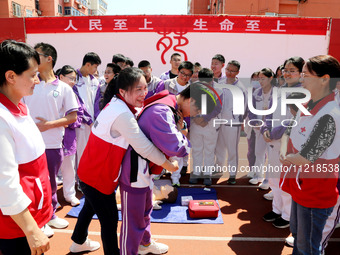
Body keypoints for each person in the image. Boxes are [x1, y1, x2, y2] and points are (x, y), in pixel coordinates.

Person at [69, 67, 179, 255]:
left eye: (145, 88)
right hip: (97, 178)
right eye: (138, 89)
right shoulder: (122, 114)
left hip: (90, 173)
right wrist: (168, 164)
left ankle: (78, 241)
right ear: (122, 91)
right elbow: (143, 146)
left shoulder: (116, 104)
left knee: (90, 206)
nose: (143, 93)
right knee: (110, 221)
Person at [119, 82, 215, 255]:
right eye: (198, 110)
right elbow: (177, 147)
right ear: (191, 100)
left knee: (145, 210)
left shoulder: (169, 105)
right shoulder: (162, 111)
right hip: (136, 168)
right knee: (133, 220)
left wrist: (181, 131)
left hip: (146, 167)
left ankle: (144, 244)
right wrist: (183, 134)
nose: (196, 115)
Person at [280, 55, 340, 255]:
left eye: (306, 74)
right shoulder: (307, 105)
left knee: (309, 247)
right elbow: (290, 130)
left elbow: (307, 157)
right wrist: (285, 151)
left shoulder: (330, 114)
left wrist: (285, 157)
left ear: (325, 79)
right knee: (298, 236)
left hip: (316, 192)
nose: (302, 78)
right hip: (301, 185)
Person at [0, 40, 53, 255]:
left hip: (28, 216)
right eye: (32, 75)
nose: (37, 80)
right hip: (15, 227)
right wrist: (31, 229)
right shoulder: (2, 118)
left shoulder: (20, 104)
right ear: (11, 76)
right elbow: (5, 183)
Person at [23, 42, 78, 231]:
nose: (32, 58)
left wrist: (48, 126)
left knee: (51, 182)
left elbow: (73, 117)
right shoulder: (28, 84)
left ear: (49, 59)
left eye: (36, 55)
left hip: (53, 144)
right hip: (27, 144)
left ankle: (50, 214)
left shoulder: (64, 88)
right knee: (33, 184)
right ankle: (39, 219)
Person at [57, 65, 92, 207]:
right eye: (70, 78)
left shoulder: (74, 94)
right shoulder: (52, 92)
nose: (73, 81)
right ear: (61, 77)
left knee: (69, 166)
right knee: (51, 169)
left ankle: (69, 194)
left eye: (74, 79)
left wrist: (70, 123)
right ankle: (52, 198)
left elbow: (80, 113)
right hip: (51, 135)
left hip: (69, 135)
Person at [155, 61, 194, 185]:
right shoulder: (165, 84)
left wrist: (185, 121)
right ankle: (159, 170)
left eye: (188, 75)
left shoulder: (192, 88)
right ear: (178, 71)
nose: (185, 77)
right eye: (182, 73)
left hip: (183, 123)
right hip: (166, 122)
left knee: (181, 148)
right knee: (162, 148)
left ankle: (177, 175)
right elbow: (158, 99)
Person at [215, 60, 247, 185]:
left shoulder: (240, 88)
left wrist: (238, 122)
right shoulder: (220, 83)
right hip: (219, 122)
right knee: (219, 148)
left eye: (232, 71)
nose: (228, 72)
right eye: (227, 69)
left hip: (233, 124)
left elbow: (243, 109)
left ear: (237, 72)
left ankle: (232, 174)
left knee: (232, 150)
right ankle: (218, 168)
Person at [189, 68, 222, 186]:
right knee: (197, 149)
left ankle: (207, 173)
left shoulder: (218, 89)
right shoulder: (192, 88)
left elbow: (218, 107)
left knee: (209, 149)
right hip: (195, 123)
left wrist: (205, 118)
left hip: (210, 124)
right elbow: (188, 104)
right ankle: (197, 173)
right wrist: (195, 118)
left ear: (212, 79)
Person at [74, 52, 101, 170]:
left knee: (92, 151)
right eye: (95, 67)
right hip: (80, 123)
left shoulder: (95, 81)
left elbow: (97, 102)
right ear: (88, 65)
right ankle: (80, 179)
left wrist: (96, 119)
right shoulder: (74, 79)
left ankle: (89, 177)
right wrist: (88, 120)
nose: (96, 70)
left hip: (93, 124)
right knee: (80, 151)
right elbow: (78, 102)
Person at [247, 68, 275, 185]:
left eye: (263, 78)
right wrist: (255, 122)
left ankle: (268, 180)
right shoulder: (256, 93)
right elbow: (251, 110)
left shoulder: (276, 93)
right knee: (259, 152)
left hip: (272, 130)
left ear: (270, 78)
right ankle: (258, 176)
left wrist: (268, 125)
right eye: (259, 79)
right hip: (258, 128)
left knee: (272, 155)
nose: (260, 81)